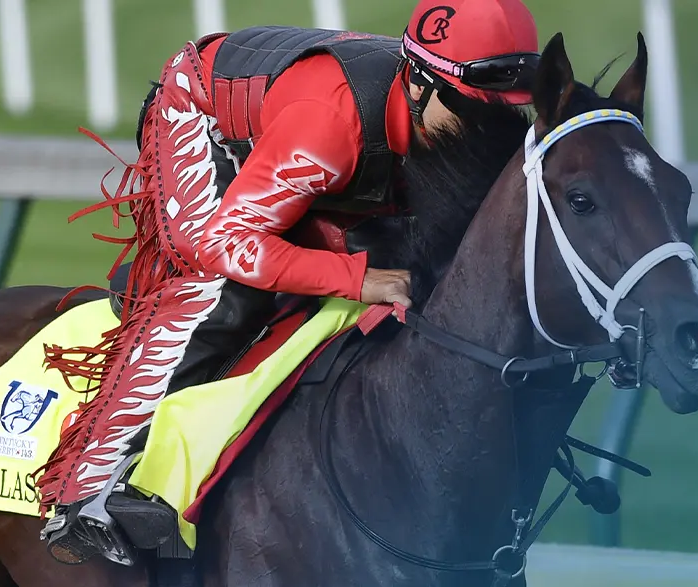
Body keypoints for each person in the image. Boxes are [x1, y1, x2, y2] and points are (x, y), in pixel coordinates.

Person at [35, 0, 543, 564]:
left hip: (300, 132)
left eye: (503, 115)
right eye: (473, 112)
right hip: (202, 116)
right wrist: (356, 278)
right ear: (420, 86)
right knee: (223, 291)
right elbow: (226, 242)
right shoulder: (330, 126)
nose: (484, 133)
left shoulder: (427, 110)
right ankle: (87, 488)